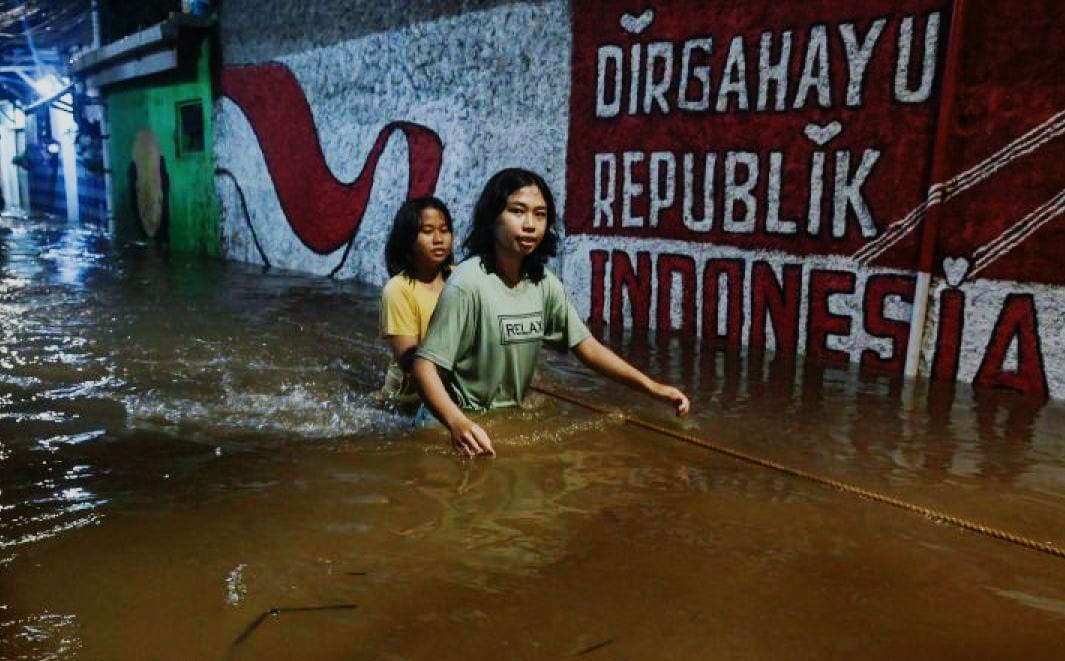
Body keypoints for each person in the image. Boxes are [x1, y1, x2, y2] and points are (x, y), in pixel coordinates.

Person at [412, 168, 689, 457]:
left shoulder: (543, 284)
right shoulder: (467, 284)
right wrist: (457, 423)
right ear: (492, 219)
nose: (530, 224)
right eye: (517, 211)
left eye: (540, 214)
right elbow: (424, 366)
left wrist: (652, 387)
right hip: (449, 425)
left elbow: (589, 348)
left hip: (502, 422)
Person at [376, 196, 454, 410]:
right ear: (407, 239)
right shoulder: (397, 290)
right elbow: (410, 364)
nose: (439, 239)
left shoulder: (461, 279)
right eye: (427, 231)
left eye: (445, 230)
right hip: (404, 405)